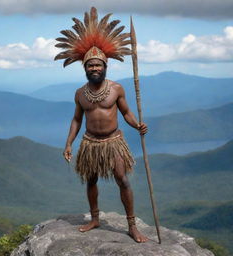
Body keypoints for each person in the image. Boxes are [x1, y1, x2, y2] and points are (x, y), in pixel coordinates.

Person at [55, 7, 148, 243]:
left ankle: (132, 225)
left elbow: (126, 112)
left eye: (98, 65)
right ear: (84, 68)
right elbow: (77, 119)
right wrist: (68, 144)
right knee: (91, 180)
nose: (94, 68)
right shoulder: (80, 93)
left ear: (105, 66)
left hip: (114, 142)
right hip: (89, 143)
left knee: (122, 180)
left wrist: (137, 125)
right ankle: (95, 218)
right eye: (90, 65)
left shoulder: (116, 88)